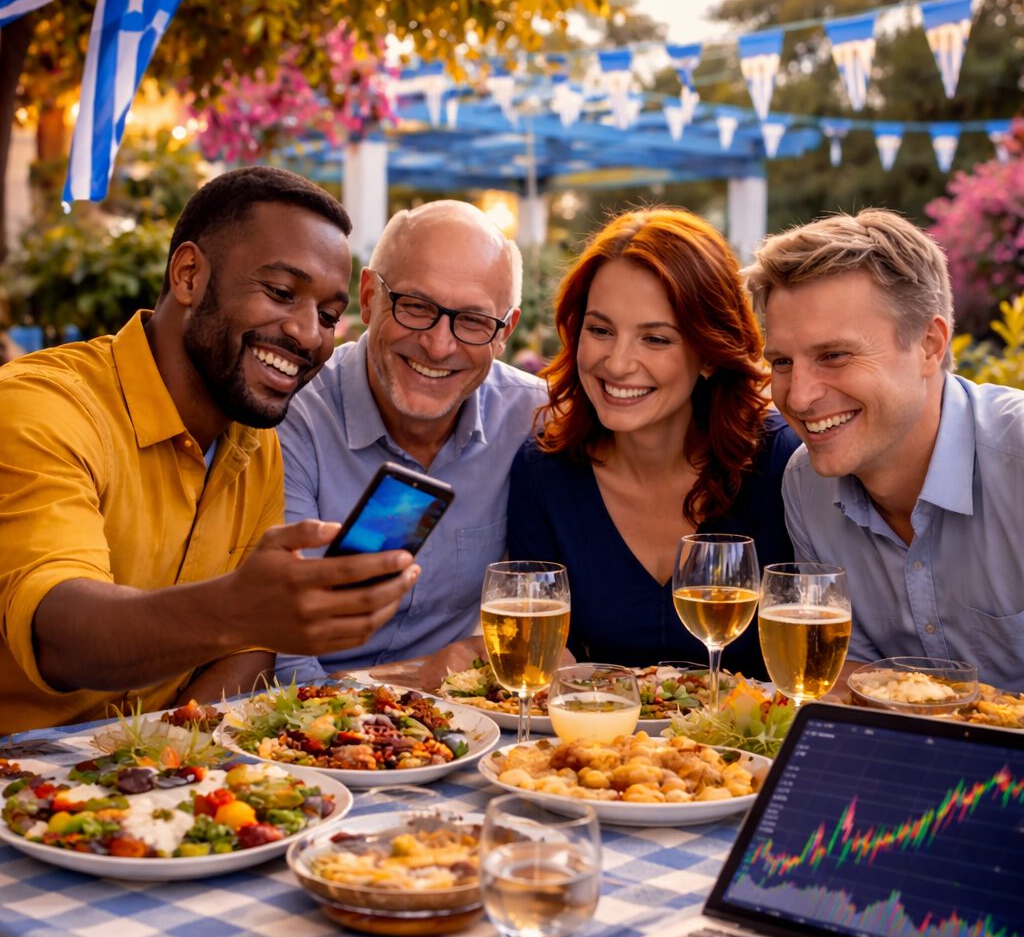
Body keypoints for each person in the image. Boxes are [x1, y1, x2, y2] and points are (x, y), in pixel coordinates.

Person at [0, 166, 420, 735]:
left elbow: (248, 649)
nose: (307, 334)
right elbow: (58, 635)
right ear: (190, 274)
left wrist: (159, 758)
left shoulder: (257, 443)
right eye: (280, 292)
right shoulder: (42, 407)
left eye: (327, 315)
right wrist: (239, 609)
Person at [507, 208, 800, 679]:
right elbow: (546, 658)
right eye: (600, 330)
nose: (618, 364)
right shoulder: (546, 469)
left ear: (708, 354)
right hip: (603, 745)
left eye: (656, 339)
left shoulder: (781, 464)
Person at [746, 208, 1024, 691]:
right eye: (783, 361)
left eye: (834, 355)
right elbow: (841, 679)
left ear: (928, 346)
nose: (798, 396)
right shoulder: (805, 481)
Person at [275, 200, 547, 682]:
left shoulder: (532, 418)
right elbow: (285, 666)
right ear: (367, 298)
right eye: (417, 307)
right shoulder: (293, 418)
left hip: (478, 731)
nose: (439, 346)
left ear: (505, 332)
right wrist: (427, 677)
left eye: (472, 322)